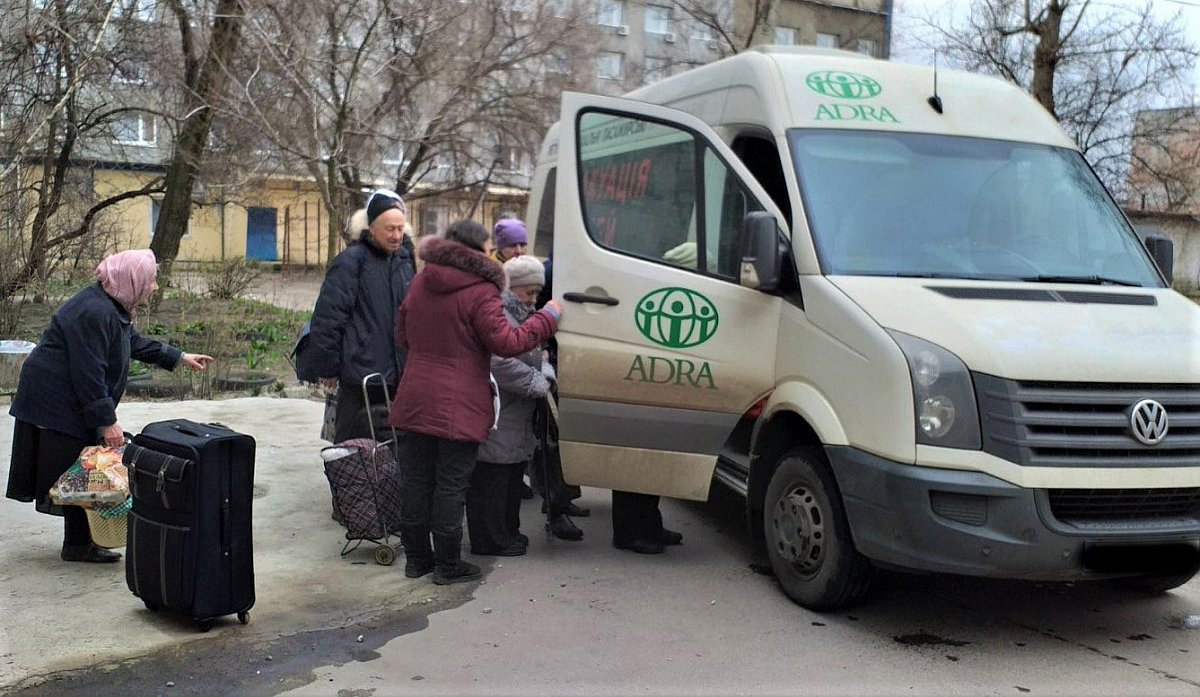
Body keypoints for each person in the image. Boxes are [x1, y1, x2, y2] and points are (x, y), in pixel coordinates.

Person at [6, 249, 214, 563]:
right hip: (54, 399)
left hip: (68, 396)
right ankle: (78, 545)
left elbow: (134, 343)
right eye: (151, 281)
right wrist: (107, 421)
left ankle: (79, 543)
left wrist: (179, 357)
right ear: (131, 280)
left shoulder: (110, 306)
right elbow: (88, 372)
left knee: (82, 464)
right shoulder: (94, 312)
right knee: (78, 465)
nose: (155, 287)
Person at [389, 220, 563, 585]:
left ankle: (418, 559)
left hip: (415, 394)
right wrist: (547, 319)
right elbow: (508, 341)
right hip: (459, 403)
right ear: (476, 251)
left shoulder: (421, 280)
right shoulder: (481, 290)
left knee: (417, 481)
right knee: (451, 485)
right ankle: (449, 565)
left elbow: (403, 334)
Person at [466, 256, 581, 556]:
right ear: (513, 288)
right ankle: (490, 539)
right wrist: (535, 380)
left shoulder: (518, 312)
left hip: (514, 412)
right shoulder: (500, 313)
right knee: (493, 477)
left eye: (535, 294)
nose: (533, 300)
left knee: (510, 476)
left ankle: (506, 532)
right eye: (528, 293)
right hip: (499, 411)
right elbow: (497, 360)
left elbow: (531, 349)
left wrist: (543, 370)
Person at [309, 189, 416, 443]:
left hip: (399, 371)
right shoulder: (350, 262)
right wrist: (328, 366)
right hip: (361, 374)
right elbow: (329, 318)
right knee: (354, 447)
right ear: (372, 228)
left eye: (401, 229)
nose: (397, 235)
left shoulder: (404, 260)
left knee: (392, 447)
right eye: (390, 229)